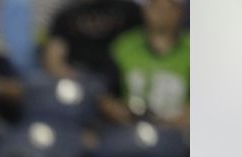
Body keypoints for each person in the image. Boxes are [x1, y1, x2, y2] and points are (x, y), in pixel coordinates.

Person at [102, 0, 189, 130]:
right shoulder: (123, 46)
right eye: (156, 7)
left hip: (179, 130)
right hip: (130, 127)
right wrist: (118, 111)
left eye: (169, 8)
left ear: (180, 12)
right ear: (145, 10)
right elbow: (106, 94)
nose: (162, 14)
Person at [43, 0, 142, 81]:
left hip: (122, 77)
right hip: (81, 77)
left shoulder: (129, 10)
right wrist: (73, 79)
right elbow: (54, 57)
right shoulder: (66, 14)